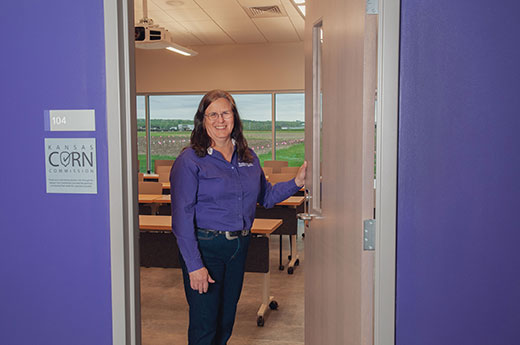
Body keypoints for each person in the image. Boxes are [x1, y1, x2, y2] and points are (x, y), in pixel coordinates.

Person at [170, 89, 307, 345]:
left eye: (225, 113)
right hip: (206, 248)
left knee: (225, 321)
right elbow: (181, 218)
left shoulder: (248, 157)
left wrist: (296, 182)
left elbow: (265, 197)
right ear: (203, 120)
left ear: (234, 117)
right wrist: (194, 265)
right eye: (213, 114)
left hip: (238, 247)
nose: (220, 120)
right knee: (205, 324)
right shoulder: (190, 160)